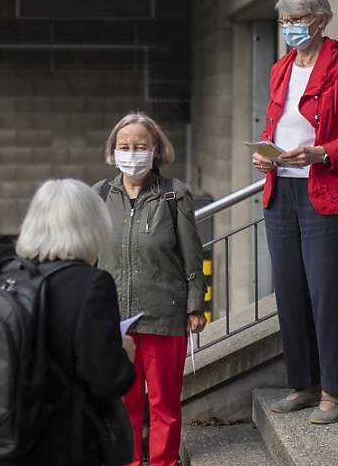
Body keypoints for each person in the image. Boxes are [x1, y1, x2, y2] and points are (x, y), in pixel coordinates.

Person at [252, 0, 338, 424]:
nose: (290, 27)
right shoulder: (281, 67)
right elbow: (280, 125)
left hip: (327, 193)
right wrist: (266, 153)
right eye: (285, 20)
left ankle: (334, 389)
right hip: (280, 189)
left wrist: (322, 153)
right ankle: (302, 383)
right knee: (290, 293)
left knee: (329, 295)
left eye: (299, 18)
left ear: (321, 20)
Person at [0, 179, 136, 466]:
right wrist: (124, 353)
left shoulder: (6, 276)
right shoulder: (91, 285)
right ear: (93, 228)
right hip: (56, 446)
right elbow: (108, 380)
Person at [95, 112, 206, 466]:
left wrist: (194, 305)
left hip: (164, 315)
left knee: (164, 404)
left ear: (155, 150)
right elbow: (90, 257)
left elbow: (192, 256)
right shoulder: (100, 194)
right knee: (122, 401)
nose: (132, 153)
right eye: (124, 146)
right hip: (115, 320)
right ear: (113, 151)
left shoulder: (174, 196)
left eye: (140, 146)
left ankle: (163, 462)